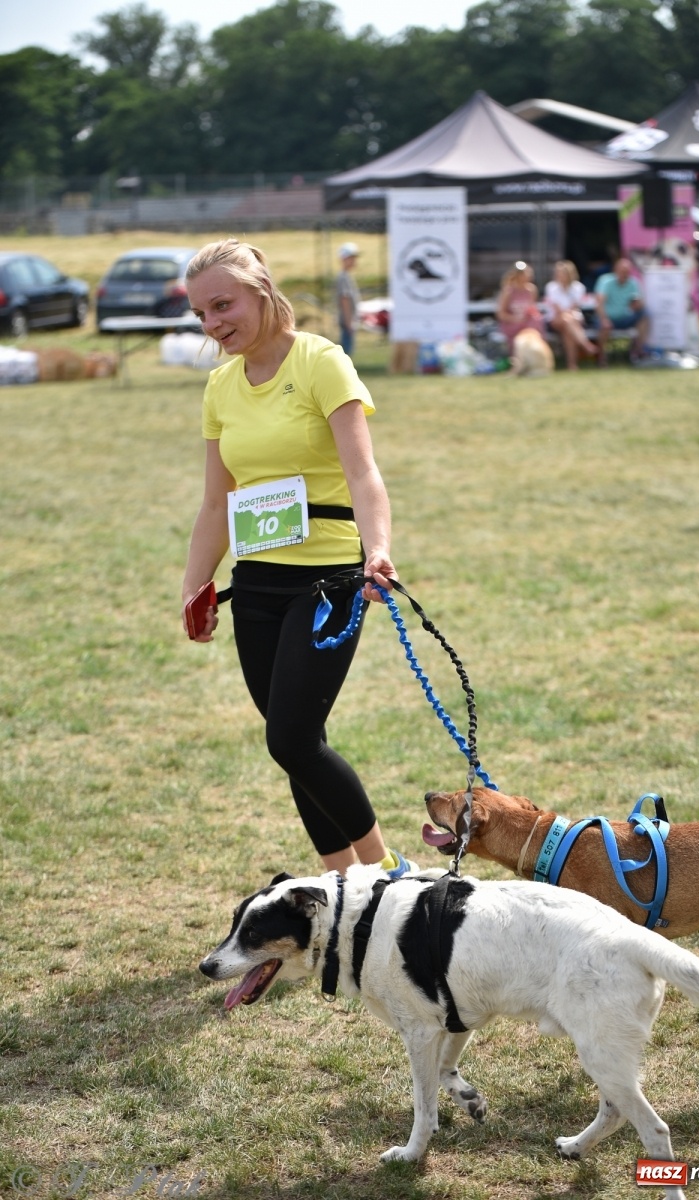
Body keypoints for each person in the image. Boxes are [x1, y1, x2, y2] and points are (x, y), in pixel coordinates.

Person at [181, 238, 416, 879]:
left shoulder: (321, 362)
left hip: (328, 579)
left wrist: (379, 552)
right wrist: (195, 587)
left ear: (261, 290)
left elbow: (363, 473)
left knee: (291, 738)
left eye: (223, 305)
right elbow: (215, 503)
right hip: (256, 582)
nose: (212, 324)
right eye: (200, 313)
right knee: (296, 746)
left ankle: (387, 871)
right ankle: (344, 884)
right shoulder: (220, 387)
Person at [543, 260, 598, 370]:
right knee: (567, 320)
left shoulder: (578, 287)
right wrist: (567, 315)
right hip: (556, 319)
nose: (560, 275)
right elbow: (558, 310)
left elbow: (574, 307)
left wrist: (568, 316)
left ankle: (572, 365)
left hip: (572, 320)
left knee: (568, 330)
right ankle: (585, 344)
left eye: (563, 273)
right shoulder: (551, 287)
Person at [593, 256, 649, 365]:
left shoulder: (633, 283)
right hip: (606, 317)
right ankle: (602, 357)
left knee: (645, 314)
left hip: (625, 318)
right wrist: (604, 319)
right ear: (616, 270)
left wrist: (637, 305)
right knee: (604, 326)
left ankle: (638, 350)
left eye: (627, 272)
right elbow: (599, 303)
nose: (624, 274)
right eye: (622, 271)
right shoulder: (605, 281)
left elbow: (639, 303)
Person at [495, 260, 545, 350]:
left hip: (527, 323)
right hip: (512, 324)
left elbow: (532, 308)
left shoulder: (531, 290)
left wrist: (533, 315)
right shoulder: (508, 291)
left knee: (536, 324)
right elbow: (501, 314)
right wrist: (516, 319)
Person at [335, 241, 361, 357]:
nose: (354, 261)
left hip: (348, 320)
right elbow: (344, 299)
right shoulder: (343, 277)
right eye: (351, 258)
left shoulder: (346, 276)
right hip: (347, 321)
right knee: (345, 354)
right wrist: (349, 322)